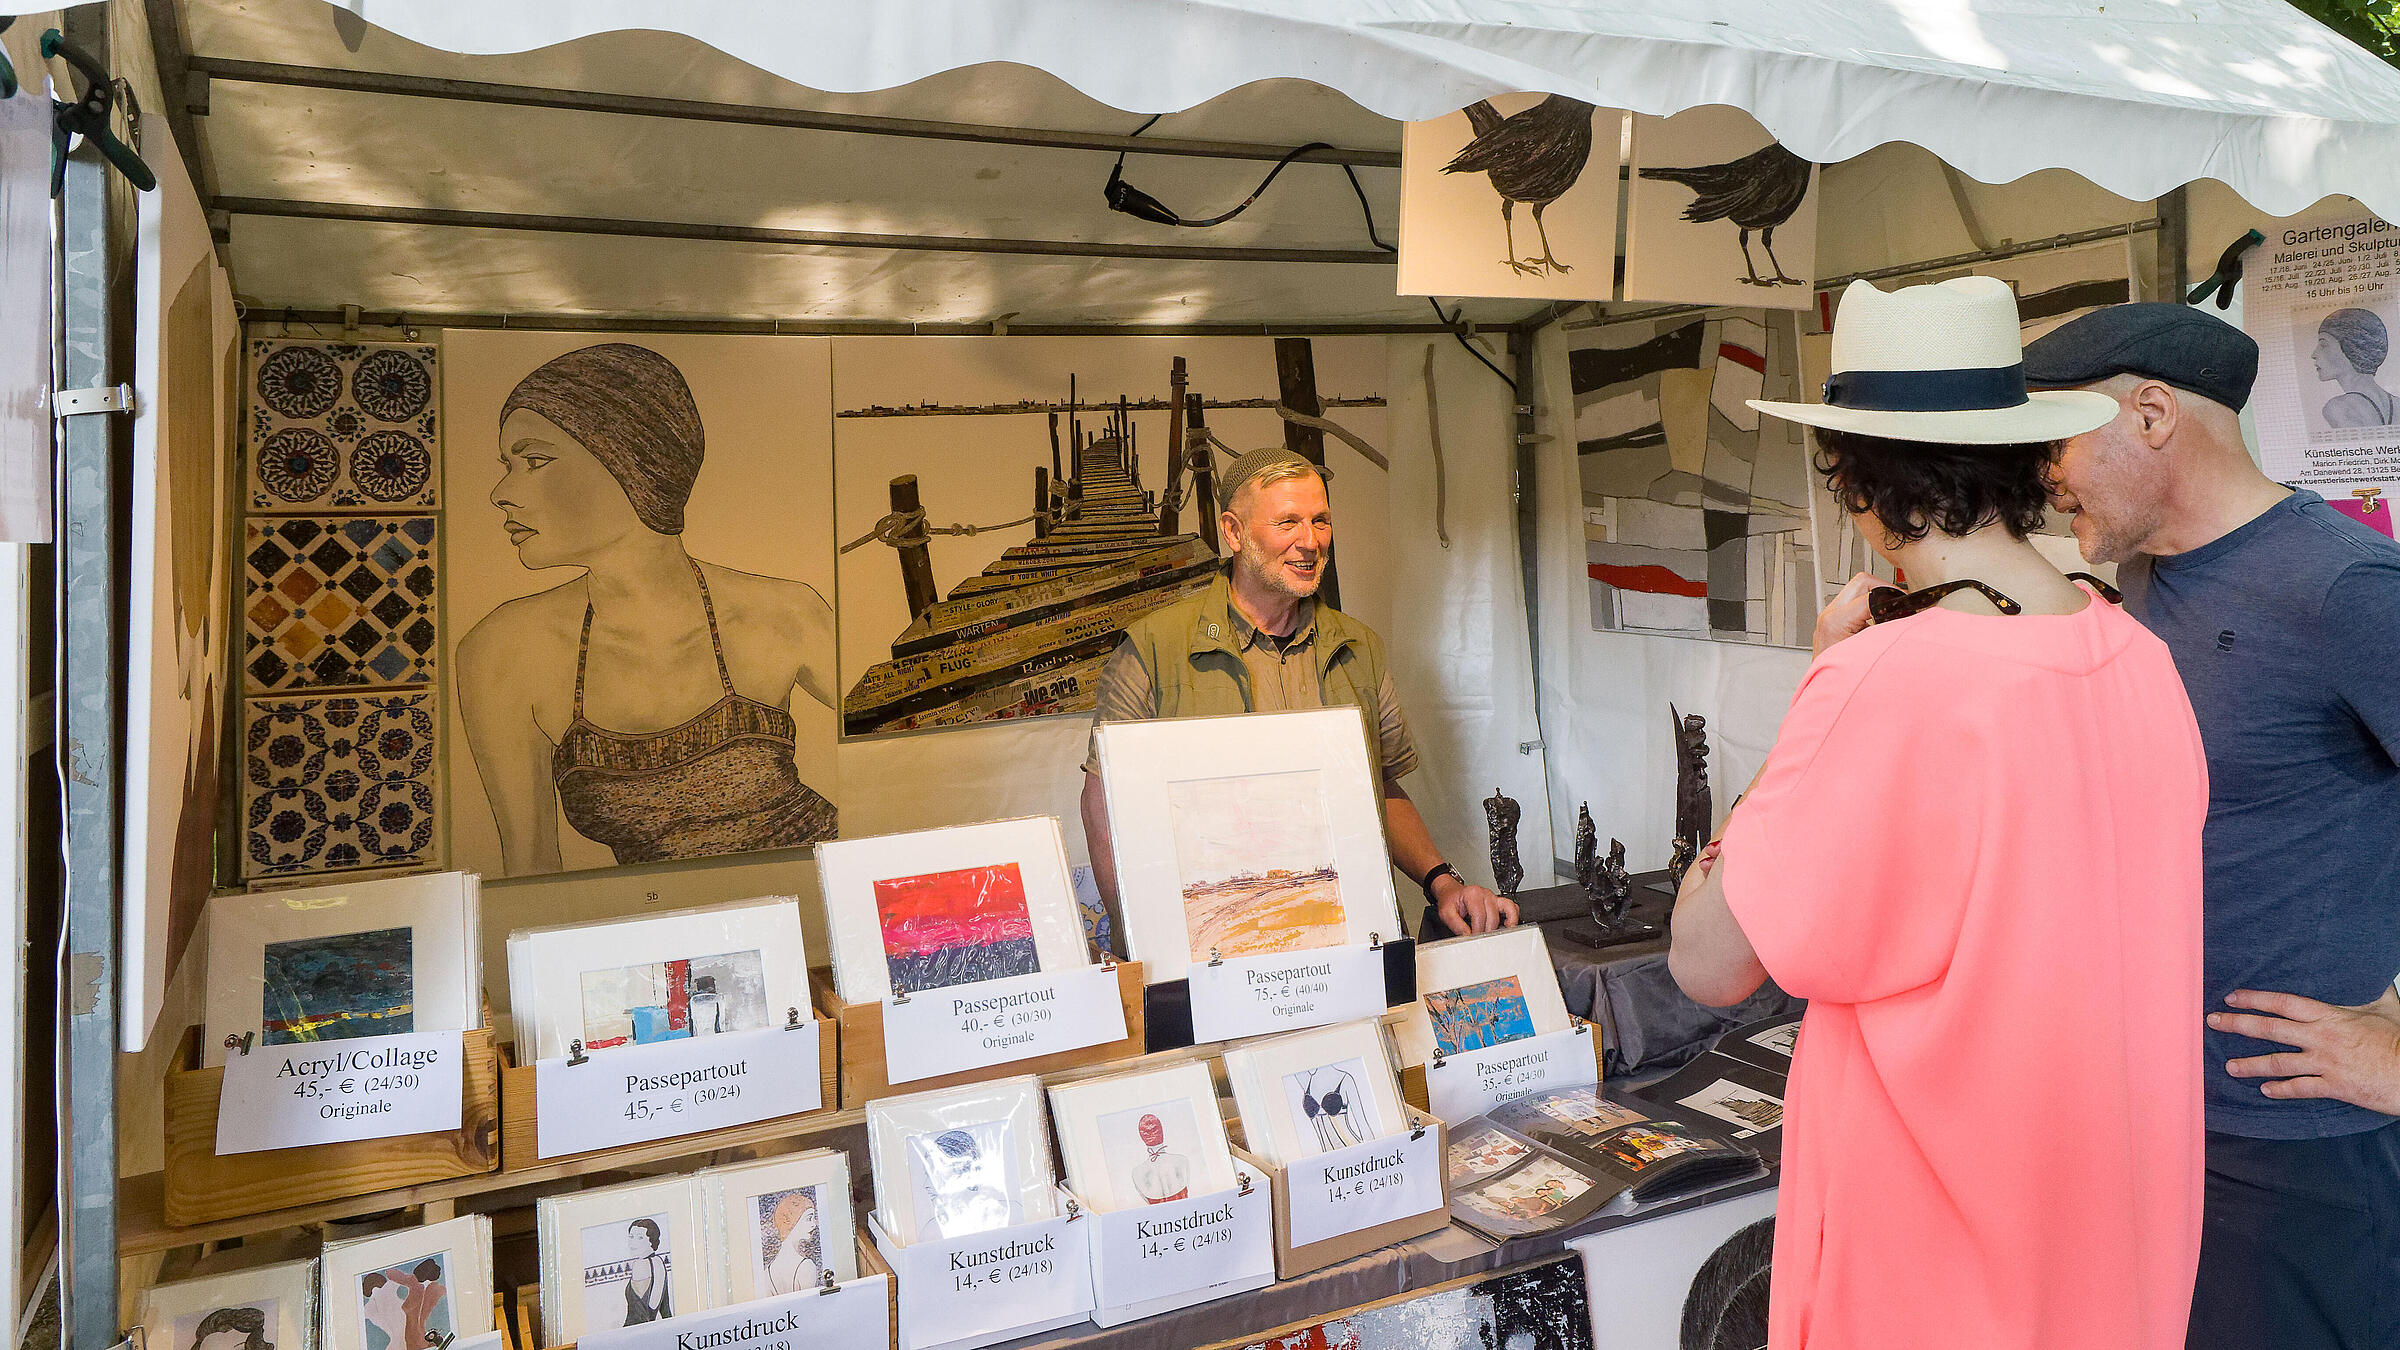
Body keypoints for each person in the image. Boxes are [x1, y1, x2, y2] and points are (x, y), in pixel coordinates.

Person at [1668, 276, 2207, 1350]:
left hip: (1939, 1264)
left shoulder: (1885, 677)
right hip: (2119, 1260)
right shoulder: (2141, 660)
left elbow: (1708, 959)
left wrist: (1819, 694)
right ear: (2020, 457)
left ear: (1862, 483)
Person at [2025, 300, 2400, 1349]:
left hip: (2300, 1160)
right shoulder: (2139, 582)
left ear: (2150, 415)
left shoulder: (2346, 586)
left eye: (2050, 441)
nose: (2040, 477)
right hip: (2148, 1126)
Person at [1079, 446, 1516, 944]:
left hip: (1347, 937)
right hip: (1213, 948)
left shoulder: (1359, 648)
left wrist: (1442, 882)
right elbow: (1103, 805)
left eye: (1321, 520)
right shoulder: (1152, 650)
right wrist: (1140, 939)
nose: (1310, 542)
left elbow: (1381, 789)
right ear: (1234, 532)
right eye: (1288, 522)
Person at [455, 343, 839, 875]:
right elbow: (531, 870)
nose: (501, 492)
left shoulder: (783, 610)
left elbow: (906, 746)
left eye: (535, 461)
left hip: (816, 902)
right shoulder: (501, 650)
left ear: (632, 463)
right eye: (507, 465)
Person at [2311, 308, 2397, 429]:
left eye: (2323, 344)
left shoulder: (2339, 408)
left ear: (2351, 348)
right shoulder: (2397, 403)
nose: (2314, 354)